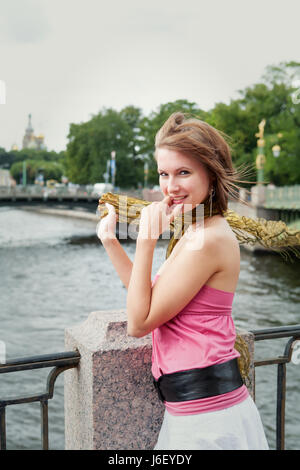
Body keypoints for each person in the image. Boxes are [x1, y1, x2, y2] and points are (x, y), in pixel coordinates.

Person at [97, 112, 269, 450]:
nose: (170, 186)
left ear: (211, 172)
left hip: (207, 419)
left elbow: (139, 322)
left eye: (184, 172)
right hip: (197, 411)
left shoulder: (209, 239)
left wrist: (146, 240)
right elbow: (148, 299)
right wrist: (112, 242)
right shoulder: (198, 229)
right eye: (164, 173)